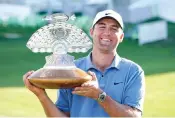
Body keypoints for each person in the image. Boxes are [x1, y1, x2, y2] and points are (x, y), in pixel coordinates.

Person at [23, 9, 145, 117]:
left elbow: (134, 116)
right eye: (102, 26)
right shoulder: (70, 71)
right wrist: (41, 96)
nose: (107, 32)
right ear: (92, 32)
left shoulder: (133, 71)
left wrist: (100, 96)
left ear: (121, 36)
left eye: (114, 28)